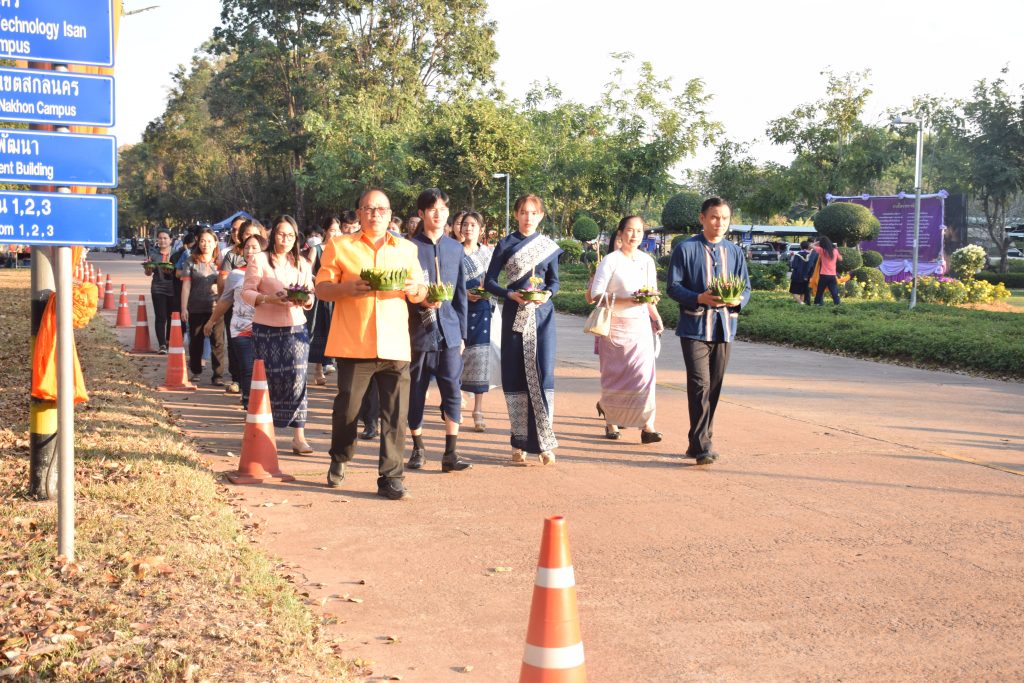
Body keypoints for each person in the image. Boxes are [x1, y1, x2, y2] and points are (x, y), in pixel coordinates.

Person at [314, 189, 428, 500]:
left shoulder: (407, 249)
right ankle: (340, 456)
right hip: (354, 342)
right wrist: (347, 288)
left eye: (381, 209)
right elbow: (322, 289)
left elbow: (420, 292)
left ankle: (391, 476)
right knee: (347, 410)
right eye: (368, 208)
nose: (375, 214)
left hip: (395, 343)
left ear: (390, 215)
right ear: (359, 214)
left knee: (395, 414)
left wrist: (416, 290)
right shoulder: (340, 246)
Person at [666, 197, 750, 466]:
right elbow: (673, 287)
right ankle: (703, 445)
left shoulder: (734, 252)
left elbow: (746, 286)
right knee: (699, 384)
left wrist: (738, 300)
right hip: (695, 328)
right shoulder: (685, 249)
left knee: (714, 385)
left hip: (724, 328)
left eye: (725, 218)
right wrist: (699, 298)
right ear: (702, 218)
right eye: (714, 217)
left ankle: (697, 441)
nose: (719, 223)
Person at [484, 194, 562, 465]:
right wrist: (510, 294)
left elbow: (554, 281)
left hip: (542, 316)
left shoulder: (548, 246)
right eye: (524, 212)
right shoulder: (505, 244)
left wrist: (547, 294)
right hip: (514, 314)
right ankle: (518, 441)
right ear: (516, 214)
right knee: (516, 375)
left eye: (534, 213)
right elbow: (489, 281)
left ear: (541, 216)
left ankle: (544, 443)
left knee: (542, 374)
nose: (528, 217)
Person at [405, 188, 471, 473]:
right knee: (416, 390)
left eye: (443, 209)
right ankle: (418, 447)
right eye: (432, 209)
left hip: (449, 331)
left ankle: (451, 452)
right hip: (418, 331)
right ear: (421, 213)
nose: (438, 214)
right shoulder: (408, 248)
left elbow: (461, 295)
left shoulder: (455, 248)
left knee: (452, 389)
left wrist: (463, 335)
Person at [242, 215, 317, 456]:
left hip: (296, 328)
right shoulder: (259, 260)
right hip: (266, 329)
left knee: (298, 379)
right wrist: (267, 299)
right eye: (281, 234)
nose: (286, 239)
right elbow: (246, 292)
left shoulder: (302, 263)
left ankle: (299, 436)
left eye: (291, 235)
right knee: (270, 381)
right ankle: (266, 432)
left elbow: (311, 293)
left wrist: (305, 300)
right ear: (273, 235)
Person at [590, 216, 664, 443]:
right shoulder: (610, 260)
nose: (634, 235)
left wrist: (655, 315)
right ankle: (610, 421)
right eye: (630, 230)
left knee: (644, 377)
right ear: (620, 233)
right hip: (614, 327)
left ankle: (648, 426)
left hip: (640, 327)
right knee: (615, 377)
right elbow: (595, 295)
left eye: (639, 231)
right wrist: (624, 300)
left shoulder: (647, 261)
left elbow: (650, 293)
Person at [204, 233, 264, 410]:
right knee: (247, 367)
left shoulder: (270, 273)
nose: (250, 251)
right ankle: (249, 403)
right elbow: (225, 300)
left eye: (254, 248)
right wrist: (211, 321)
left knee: (264, 368)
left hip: (266, 328)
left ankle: (262, 403)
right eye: (247, 247)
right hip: (241, 328)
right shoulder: (236, 274)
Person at [454, 211, 494, 431]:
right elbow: (448, 281)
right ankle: (455, 402)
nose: (468, 228)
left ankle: (478, 409)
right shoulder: (453, 251)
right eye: (465, 224)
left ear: (481, 229)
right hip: (458, 311)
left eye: (473, 225)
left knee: (480, 359)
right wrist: (463, 294)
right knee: (456, 357)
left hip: (482, 310)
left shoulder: (488, 253)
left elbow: (493, 282)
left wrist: (486, 293)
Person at [218, 216, 261, 395]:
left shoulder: (268, 263)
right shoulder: (232, 257)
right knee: (240, 353)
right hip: (237, 313)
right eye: (246, 235)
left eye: (255, 236)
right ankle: (241, 384)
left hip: (262, 319)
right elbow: (223, 285)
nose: (250, 240)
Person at [180, 228, 226, 385]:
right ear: (198, 243)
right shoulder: (191, 261)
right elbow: (186, 286)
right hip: (196, 307)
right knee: (196, 341)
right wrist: (184, 308)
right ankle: (196, 371)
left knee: (218, 342)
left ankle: (218, 375)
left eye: (209, 241)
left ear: (215, 243)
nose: (206, 244)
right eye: (202, 241)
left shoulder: (221, 263)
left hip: (216, 308)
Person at [307, 215, 343, 385]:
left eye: (338, 230)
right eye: (332, 230)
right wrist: (319, 280)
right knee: (319, 330)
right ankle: (318, 369)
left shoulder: (343, 249)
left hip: (337, 296)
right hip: (321, 296)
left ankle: (335, 366)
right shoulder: (317, 249)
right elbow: (307, 270)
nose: (335, 234)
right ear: (325, 231)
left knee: (336, 331)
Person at [146, 229, 177, 354]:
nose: (162, 240)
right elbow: (148, 273)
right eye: (160, 238)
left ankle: (169, 341)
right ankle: (162, 345)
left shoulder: (176, 254)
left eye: (165, 238)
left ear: (171, 240)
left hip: (174, 288)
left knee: (172, 316)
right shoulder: (153, 255)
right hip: (158, 288)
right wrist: (148, 268)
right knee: (160, 317)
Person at [813, 236, 843, 305]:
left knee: (820, 291)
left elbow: (811, 246)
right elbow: (841, 259)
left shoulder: (822, 250)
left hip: (823, 275)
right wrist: (837, 250)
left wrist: (817, 242)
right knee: (834, 292)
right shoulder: (835, 250)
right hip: (832, 275)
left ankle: (816, 304)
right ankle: (837, 304)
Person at [789, 240, 817, 304]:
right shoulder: (811, 255)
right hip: (806, 276)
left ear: (801, 246)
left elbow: (794, 266)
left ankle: (801, 303)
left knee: (793, 291)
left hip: (797, 276)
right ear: (808, 247)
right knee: (803, 292)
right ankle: (801, 303)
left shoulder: (797, 255)